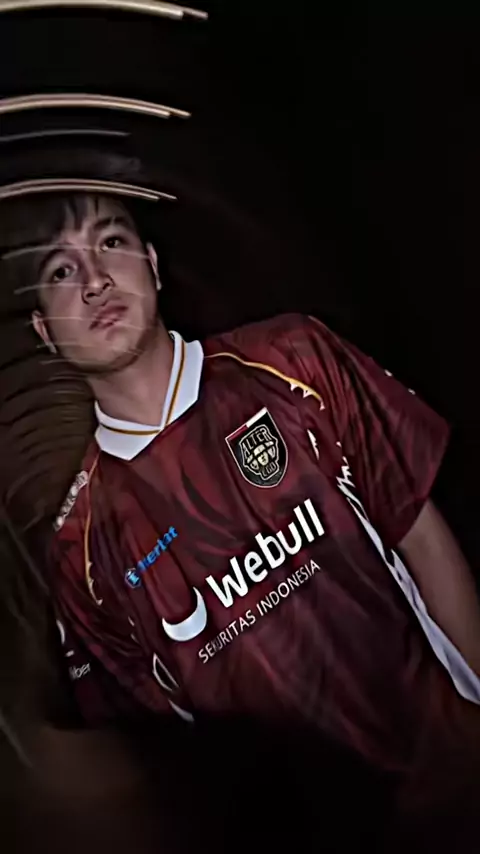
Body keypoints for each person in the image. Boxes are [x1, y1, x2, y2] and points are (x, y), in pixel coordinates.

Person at [1, 190, 480, 815]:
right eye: (62, 271)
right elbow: (155, 755)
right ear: (44, 331)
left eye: (111, 242)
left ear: (152, 263)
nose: (95, 281)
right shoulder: (80, 548)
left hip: (449, 781)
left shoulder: (293, 358)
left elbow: (420, 534)